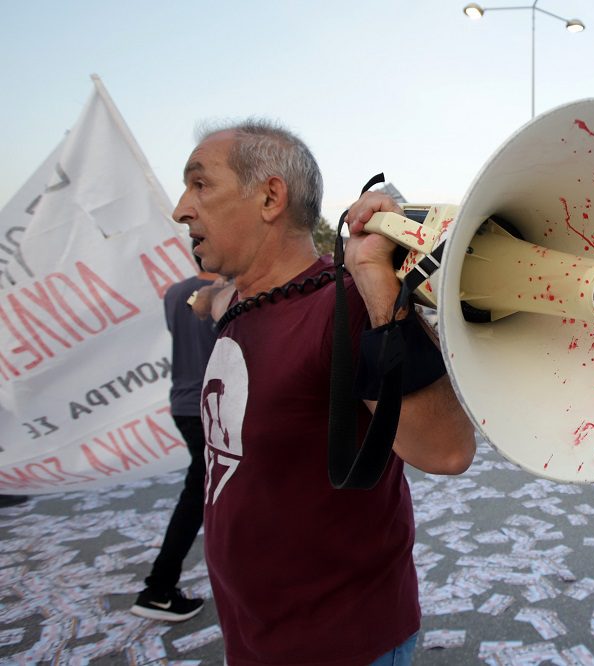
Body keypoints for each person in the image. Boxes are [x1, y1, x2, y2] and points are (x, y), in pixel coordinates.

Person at [171, 120, 475, 666]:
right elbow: (211, 302)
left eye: (200, 185)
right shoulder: (243, 299)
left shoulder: (348, 305)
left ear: (270, 197)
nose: (181, 208)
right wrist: (205, 300)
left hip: (341, 644)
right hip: (255, 636)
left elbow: (447, 450)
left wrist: (373, 274)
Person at [130, 247, 225, 622]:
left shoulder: (174, 292)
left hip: (184, 405)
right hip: (214, 405)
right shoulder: (226, 295)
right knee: (200, 494)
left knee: (210, 490)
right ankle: (158, 586)